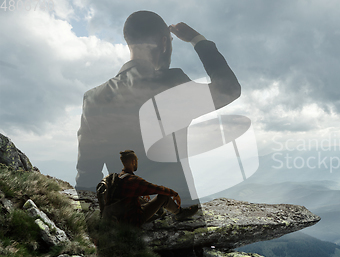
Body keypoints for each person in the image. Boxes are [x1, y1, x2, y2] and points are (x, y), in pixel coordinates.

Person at [75, 11, 241, 206]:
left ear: (129, 43)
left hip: (125, 217)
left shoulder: (94, 97)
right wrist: (198, 40)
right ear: (164, 43)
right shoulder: (174, 85)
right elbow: (229, 88)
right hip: (179, 212)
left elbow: (87, 176)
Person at [102, 150, 198, 227]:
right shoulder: (133, 180)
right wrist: (174, 194)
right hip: (131, 221)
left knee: (140, 199)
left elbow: (126, 195)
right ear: (133, 162)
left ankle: (158, 210)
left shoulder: (118, 178)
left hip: (115, 218)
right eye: (137, 160)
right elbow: (157, 189)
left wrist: (141, 193)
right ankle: (180, 213)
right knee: (164, 197)